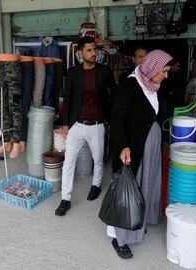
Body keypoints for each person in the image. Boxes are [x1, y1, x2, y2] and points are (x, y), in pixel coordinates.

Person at [108, 49, 173, 259]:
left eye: (167, 71)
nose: (166, 75)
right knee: (126, 190)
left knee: (143, 187)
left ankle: (136, 223)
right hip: (132, 146)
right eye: (163, 71)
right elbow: (117, 118)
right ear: (152, 67)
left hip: (149, 145)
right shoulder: (130, 86)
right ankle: (118, 237)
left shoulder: (154, 86)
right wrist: (124, 145)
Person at [55, 36, 116, 216]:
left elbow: (115, 92)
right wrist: (65, 123)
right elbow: (67, 100)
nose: (93, 53)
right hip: (76, 125)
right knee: (68, 162)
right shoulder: (73, 73)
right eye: (89, 50)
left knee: (98, 159)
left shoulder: (104, 71)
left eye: (94, 49)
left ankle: (96, 185)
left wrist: (112, 118)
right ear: (80, 53)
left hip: (97, 125)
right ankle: (65, 198)